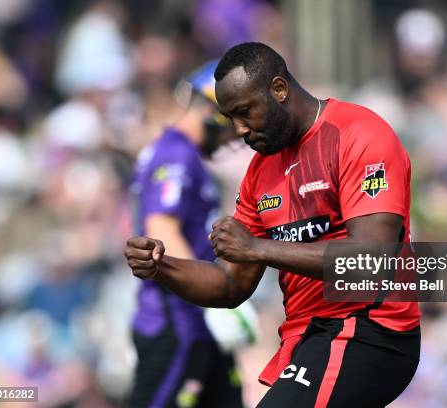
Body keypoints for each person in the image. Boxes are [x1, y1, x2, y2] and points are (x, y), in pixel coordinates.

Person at [125, 42, 421, 407]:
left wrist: (257, 247)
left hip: (368, 329)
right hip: (308, 337)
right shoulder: (260, 172)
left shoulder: (358, 133)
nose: (239, 130)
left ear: (279, 89)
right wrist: (161, 267)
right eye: (229, 117)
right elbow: (230, 285)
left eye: (244, 111)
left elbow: (372, 260)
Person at [127, 61, 244, 408]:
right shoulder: (177, 156)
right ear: (213, 112)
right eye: (233, 121)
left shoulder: (183, 156)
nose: (238, 134)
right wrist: (213, 300)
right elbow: (162, 232)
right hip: (178, 323)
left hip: (198, 324)